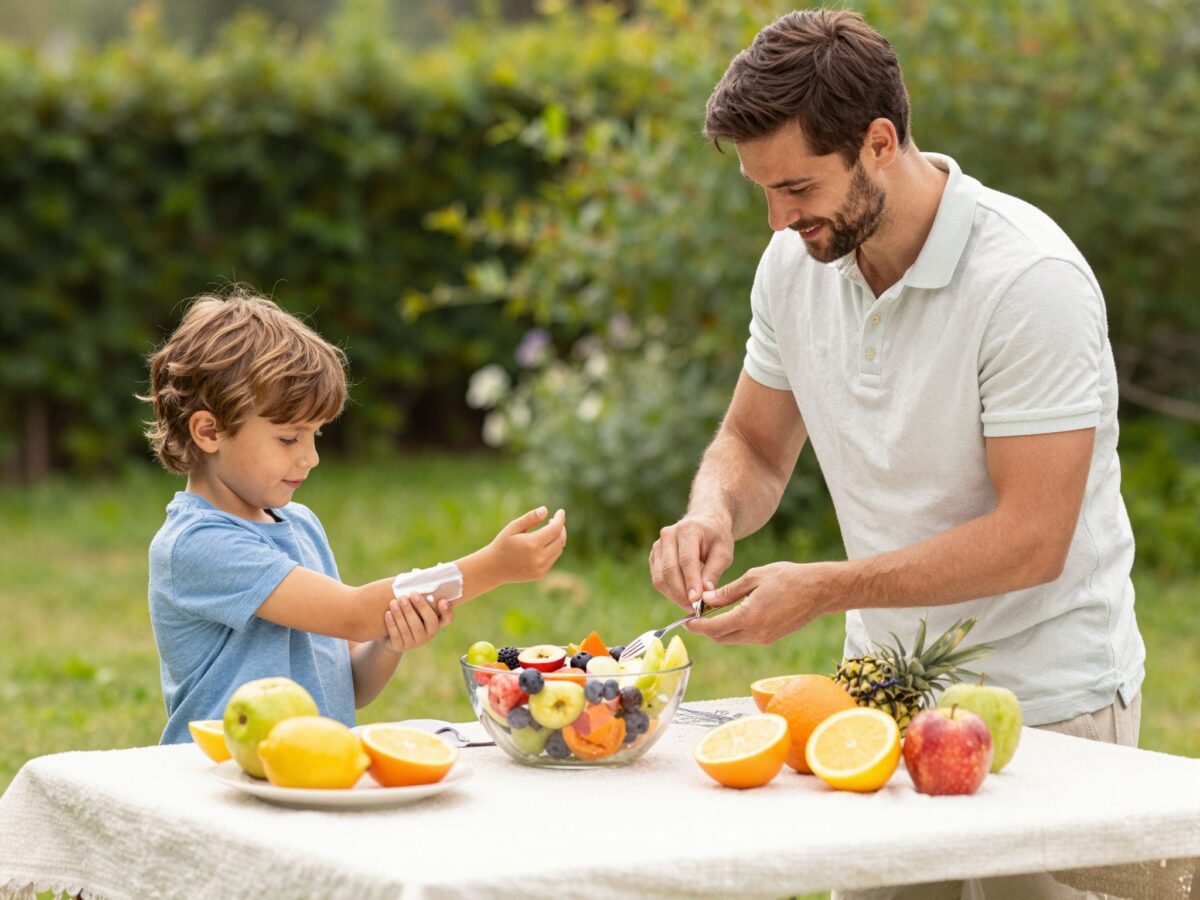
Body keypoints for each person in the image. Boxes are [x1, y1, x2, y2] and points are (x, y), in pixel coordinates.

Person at [648, 11, 1144, 899]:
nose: (777, 217)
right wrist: (709, 510)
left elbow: (1034, 539)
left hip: (1048, 699)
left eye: (796, 186)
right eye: (762, 190)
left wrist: (826, 587)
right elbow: (755, 445)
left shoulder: (1029, 282)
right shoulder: (794, 262)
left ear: (880, 142)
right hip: (879, 693)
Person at [143, 290, 567, 744]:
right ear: (209, 432)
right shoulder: (196, 544)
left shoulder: (301, 526)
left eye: (315, 434)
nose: (311, 457)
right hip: (222, 778)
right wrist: (494, 567)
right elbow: (353, 614)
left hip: (314, 772)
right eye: (289, 439)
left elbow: (353, 687)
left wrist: (388, 641)